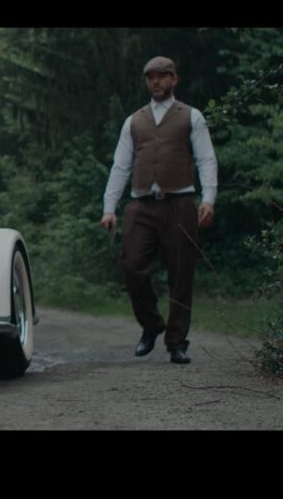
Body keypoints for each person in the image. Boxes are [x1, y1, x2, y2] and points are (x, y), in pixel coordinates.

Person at [100, 56, 218, 365]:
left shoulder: (191, 117)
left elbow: (206, 159)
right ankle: (152, 326)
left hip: (180, 204)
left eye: (163, 76)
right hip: (141, 205)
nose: (156, 81)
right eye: (151, 77)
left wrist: (209, 199)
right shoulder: (133, 121)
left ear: (174, 79)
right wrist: (109, 207)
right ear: (146, 81)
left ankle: (177, 342)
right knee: (131, 265)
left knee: (181, 273)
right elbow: (120, 166)